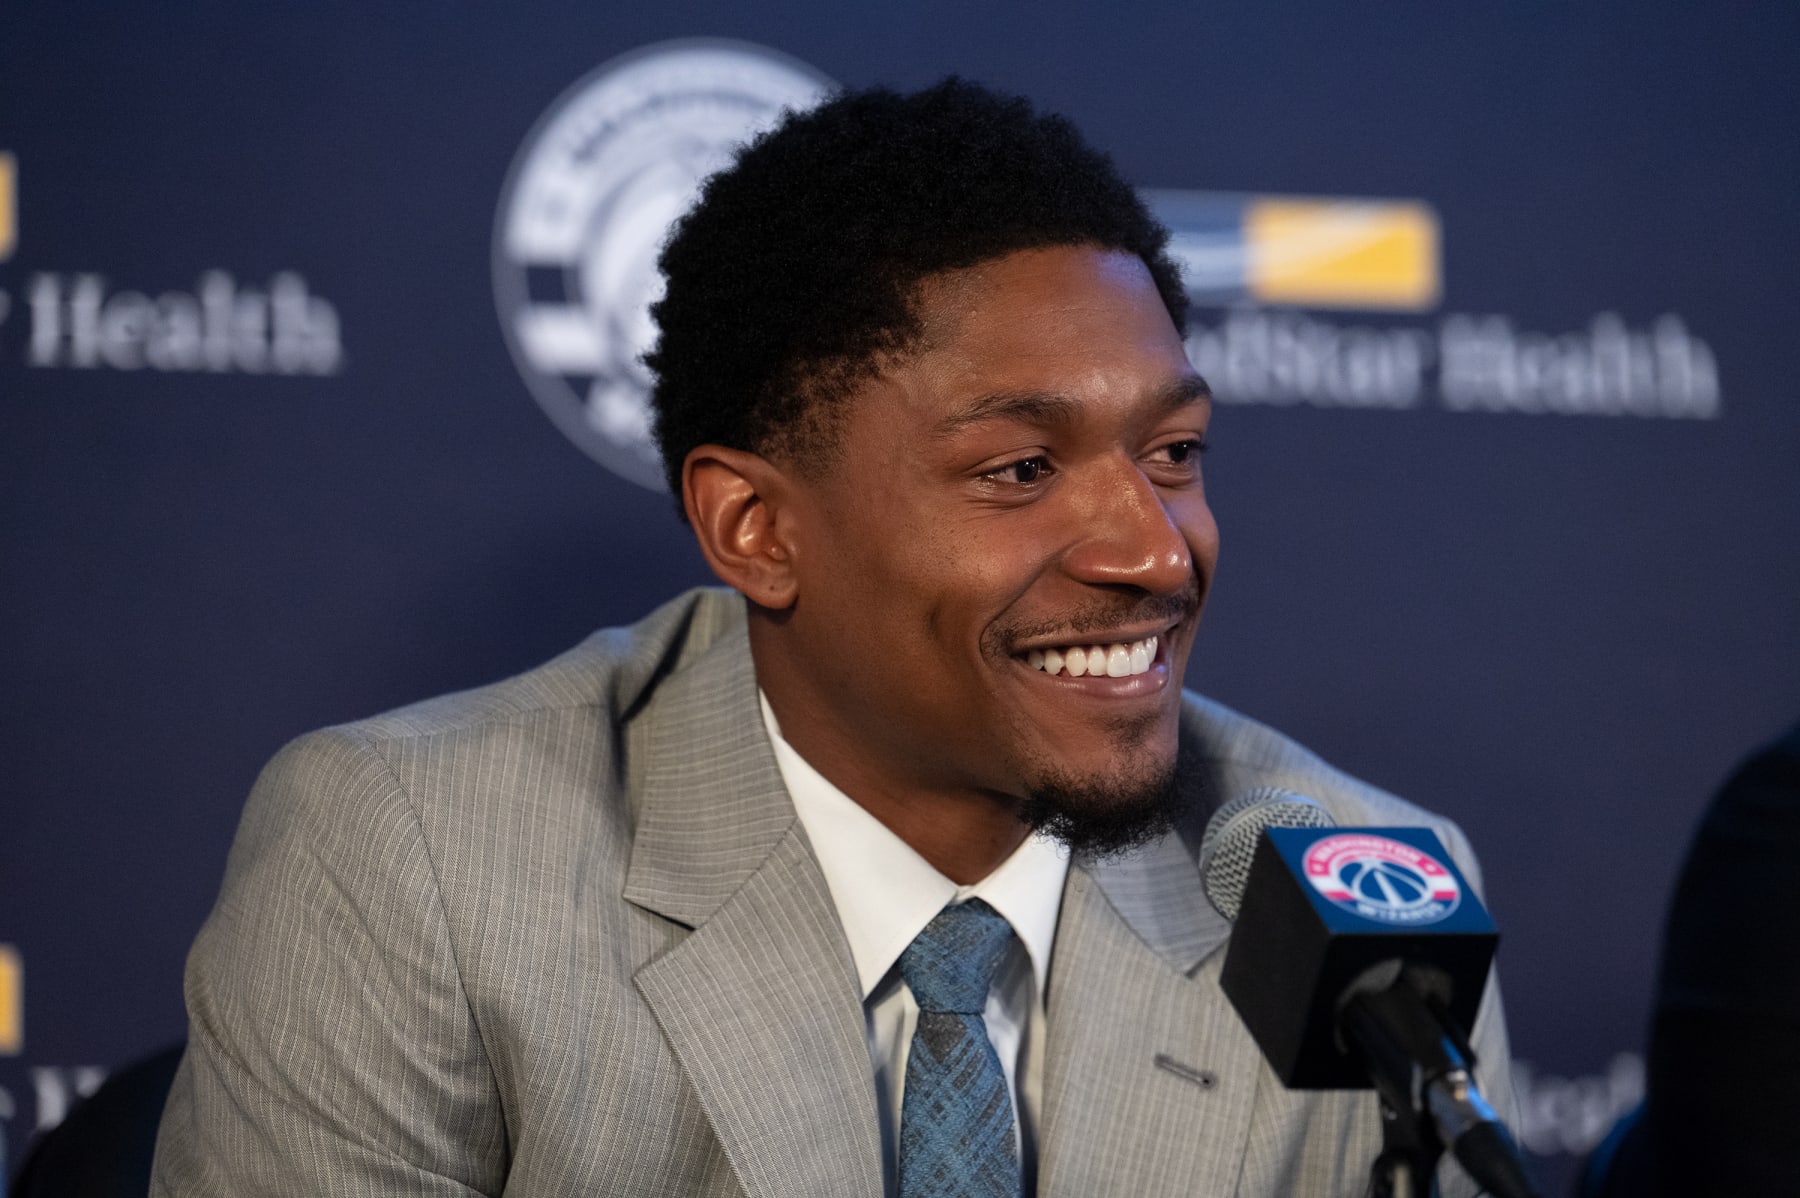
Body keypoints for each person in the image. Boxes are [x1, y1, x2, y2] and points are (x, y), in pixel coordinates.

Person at [151, 79, 1514, 1196]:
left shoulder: (1365, 910)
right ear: (754, 526)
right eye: (1020, 469)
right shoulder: (417, 867)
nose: (1156, 551)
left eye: (1172, 452)